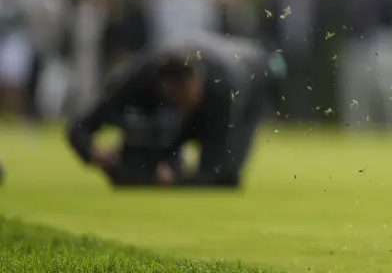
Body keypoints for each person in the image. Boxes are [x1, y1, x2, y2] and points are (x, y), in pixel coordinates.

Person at [66, 32, 283, 187]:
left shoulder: (222, 88)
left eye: (189, 97)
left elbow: (220, 171)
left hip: (256, 77)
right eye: (176, 98)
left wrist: (175, 180)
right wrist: (96, 153)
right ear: (163, 86)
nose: (185, 104)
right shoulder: (139, 78)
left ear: (197, 81)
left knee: (227, 175)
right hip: (215, 60)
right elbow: (78, 128)